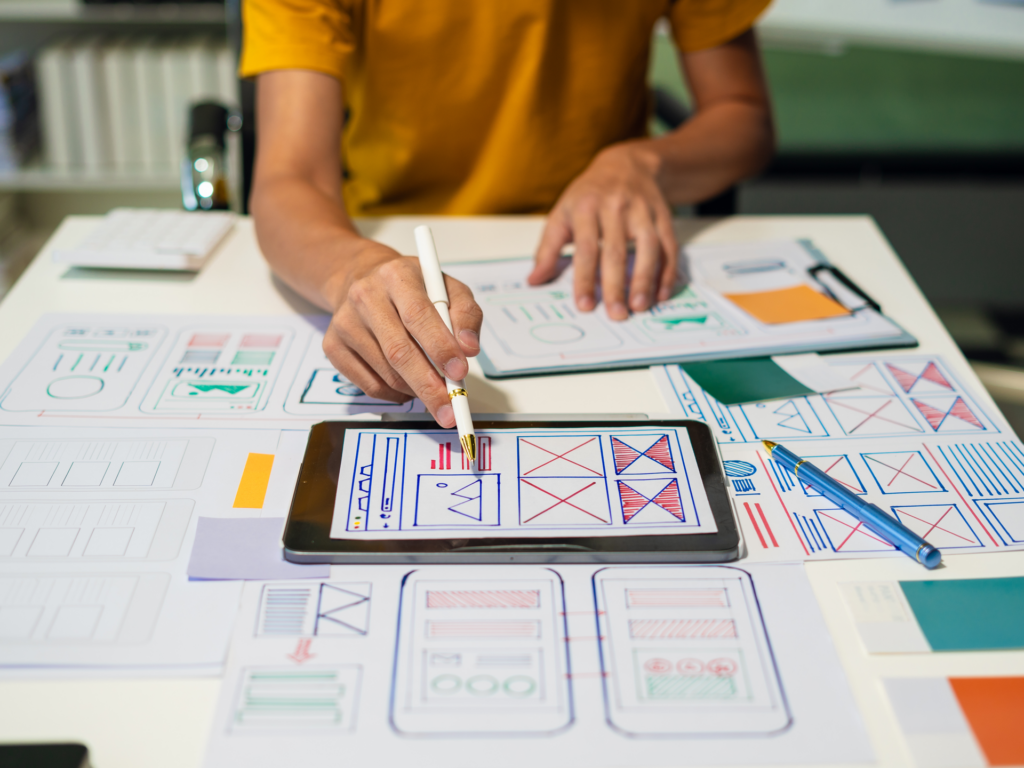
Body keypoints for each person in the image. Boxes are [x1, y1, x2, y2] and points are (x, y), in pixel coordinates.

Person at [241, 1, 775, 427]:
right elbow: (291, 177)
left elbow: (744, 117)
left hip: (593, 253)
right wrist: (352, 270)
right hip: (391, 242)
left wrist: (644, 161)